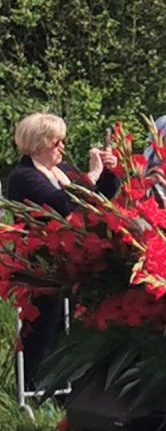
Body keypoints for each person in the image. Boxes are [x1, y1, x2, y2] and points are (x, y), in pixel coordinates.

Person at [5, 114, 120, 389]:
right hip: (40, 261)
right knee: (45, 325)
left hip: (72, 257)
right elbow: (59, 203)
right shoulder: (23, 176)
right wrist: (91, 176)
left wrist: (108, 172)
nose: (63, 147)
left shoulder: (64, 171)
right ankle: (34, 385)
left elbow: (97, 197)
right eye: (58, 141)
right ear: (41, 142)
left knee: (69, 325)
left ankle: (64, 385)